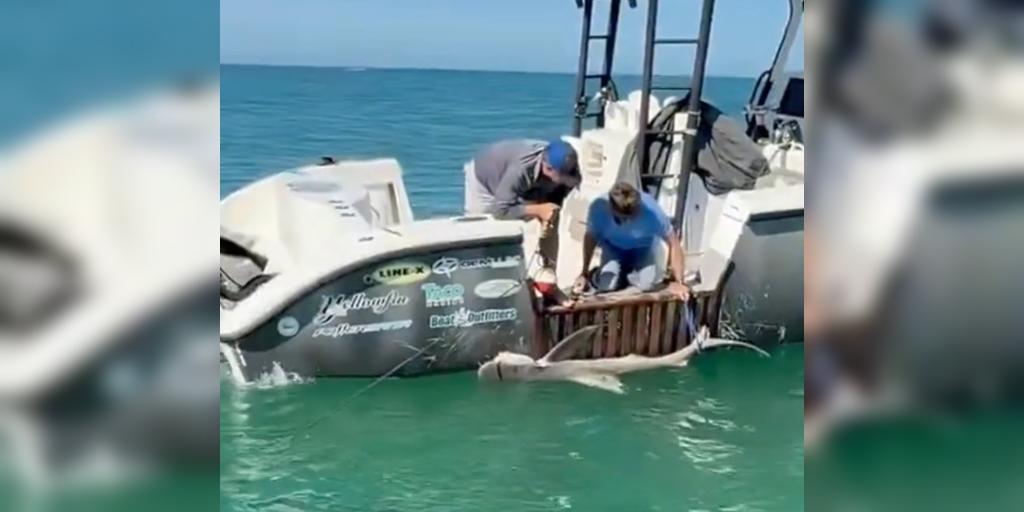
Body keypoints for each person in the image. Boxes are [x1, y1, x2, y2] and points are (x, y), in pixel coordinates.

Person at [573, 181, 689, 300]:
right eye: (622, 219)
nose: (627, 222)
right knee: (607, 284)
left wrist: (679, 282)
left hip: (643, 248)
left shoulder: (652, 210)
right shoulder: (598, 208)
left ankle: (626, 275)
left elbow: (673, 241)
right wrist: (584, 273)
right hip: (613, 247)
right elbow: (590, 238)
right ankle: (598, 275)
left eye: (632, 217)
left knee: (648, 284)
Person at [463, 139, 581, 225]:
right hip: (484, 177)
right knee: (485, 222)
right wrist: (539, 209)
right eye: (564, 175)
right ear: (547, 168)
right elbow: (499, 210)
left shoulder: (567, 162)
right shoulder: (521, 169)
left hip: (526, 180)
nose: (569, 179)